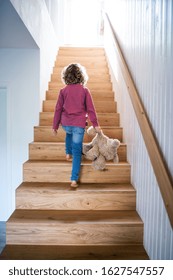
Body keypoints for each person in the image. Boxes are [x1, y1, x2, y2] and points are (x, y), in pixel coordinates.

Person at [52, 63, 101, 188]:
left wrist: (55, 126)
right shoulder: (84, 90)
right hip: (78, 125)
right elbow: (91, 109)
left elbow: (58, 109)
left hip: (66, 123)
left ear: (66, 76)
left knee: (69, 133)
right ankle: (74, 179)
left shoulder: (63, 91)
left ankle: (67, 153)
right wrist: (95, 124)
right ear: (81, 76)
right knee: (77, 152)